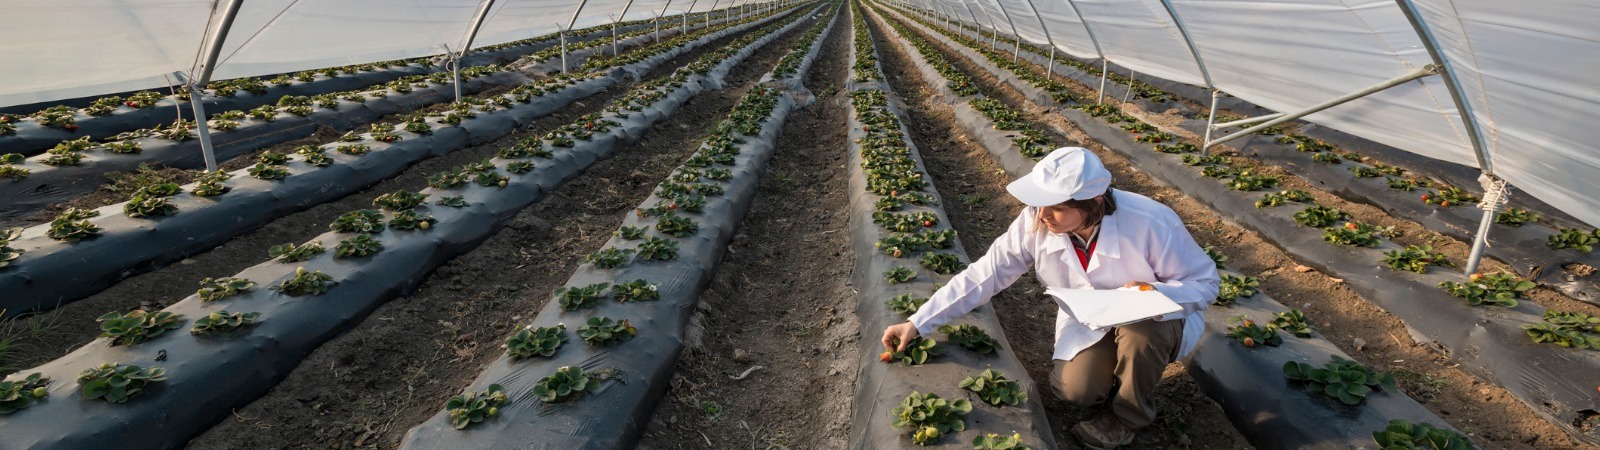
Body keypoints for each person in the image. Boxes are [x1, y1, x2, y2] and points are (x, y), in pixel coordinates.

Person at [880, 147, 1218, 449]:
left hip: (1154, 321)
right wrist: (918, 322)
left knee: (1142, 332)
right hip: (1089, 318)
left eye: (1056, 208)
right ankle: (1117, 375)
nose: (1043, 216)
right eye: (1040, 205)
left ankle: (1127, 417)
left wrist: (1151, 293)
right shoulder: (1037, 220)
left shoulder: (1150, 222)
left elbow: (1204, 283)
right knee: (1077, 392)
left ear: (1094, 203)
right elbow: (987, 273)